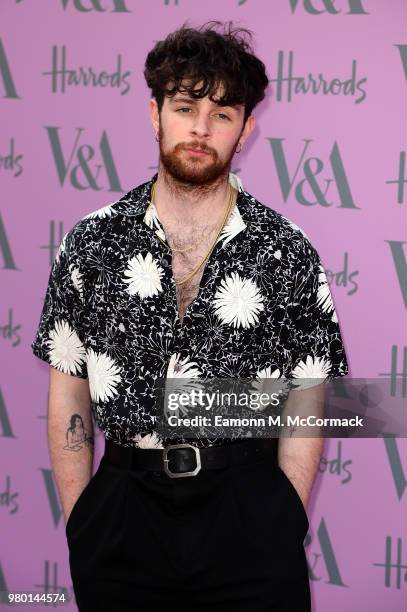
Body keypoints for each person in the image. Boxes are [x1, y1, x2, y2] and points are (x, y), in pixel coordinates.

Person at [31, 21, 349, 612]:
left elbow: (309, 392)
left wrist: (284, 514)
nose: (201, 129)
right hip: (123, 517)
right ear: (155, 114)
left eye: (223, 114)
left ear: (246, 130)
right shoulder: (91, 244)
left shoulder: (287, 249)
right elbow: (68, 392)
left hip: (248, 512)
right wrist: (84, 523)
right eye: (185, 107)